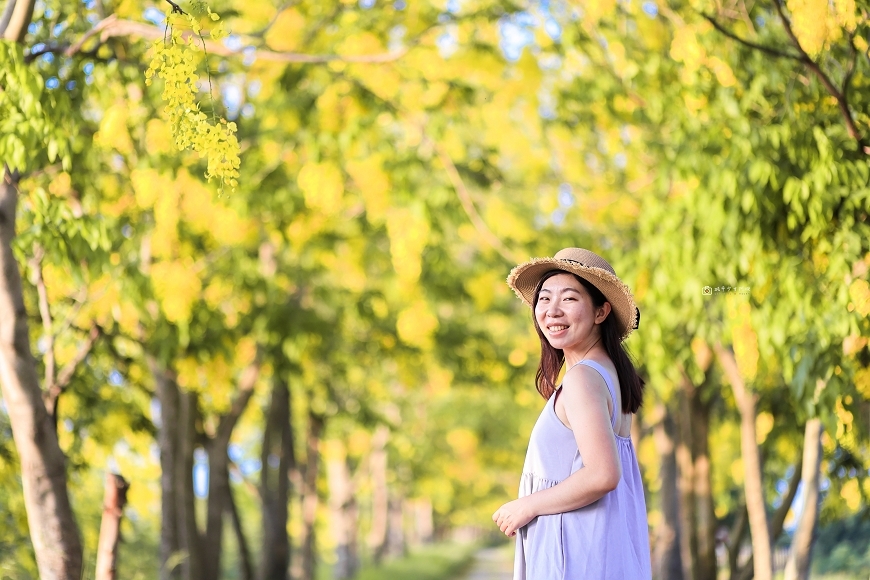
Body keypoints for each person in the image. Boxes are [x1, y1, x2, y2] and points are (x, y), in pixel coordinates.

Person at [492, 247, 651, 579]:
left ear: (600, 312)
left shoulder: (583, 379)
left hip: (575, 557)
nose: (552, 311)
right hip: (595, 551)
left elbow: (603, 474)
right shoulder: (607, 375)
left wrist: (527, 505)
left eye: (569, 299)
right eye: (545, 299)